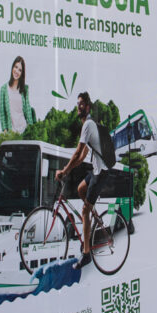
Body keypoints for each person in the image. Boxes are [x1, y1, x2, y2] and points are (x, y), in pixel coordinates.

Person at [54, 92, 106, 270]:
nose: (79, 107)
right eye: (77, 104)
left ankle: (86, 255)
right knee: (80, 189)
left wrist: (64, 170)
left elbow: (77, 153)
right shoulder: (88, 126)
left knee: (84, 211)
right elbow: (82, 156)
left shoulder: (88, 125)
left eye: (82, 104)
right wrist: (69, 170)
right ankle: (93, 219)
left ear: (88, 107)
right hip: (97, 169)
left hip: (102, 172)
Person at [0, 56, 36, 133]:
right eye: (16, 67)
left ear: (22, 73)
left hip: (24, 130)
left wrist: (31, 129)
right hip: (11, 133)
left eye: (20, 70)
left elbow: (28, 111)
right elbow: (2, 112)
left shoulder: (24, 89)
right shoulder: (4, 89)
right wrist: (5, 130)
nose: (17, 71)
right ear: (12, 67)